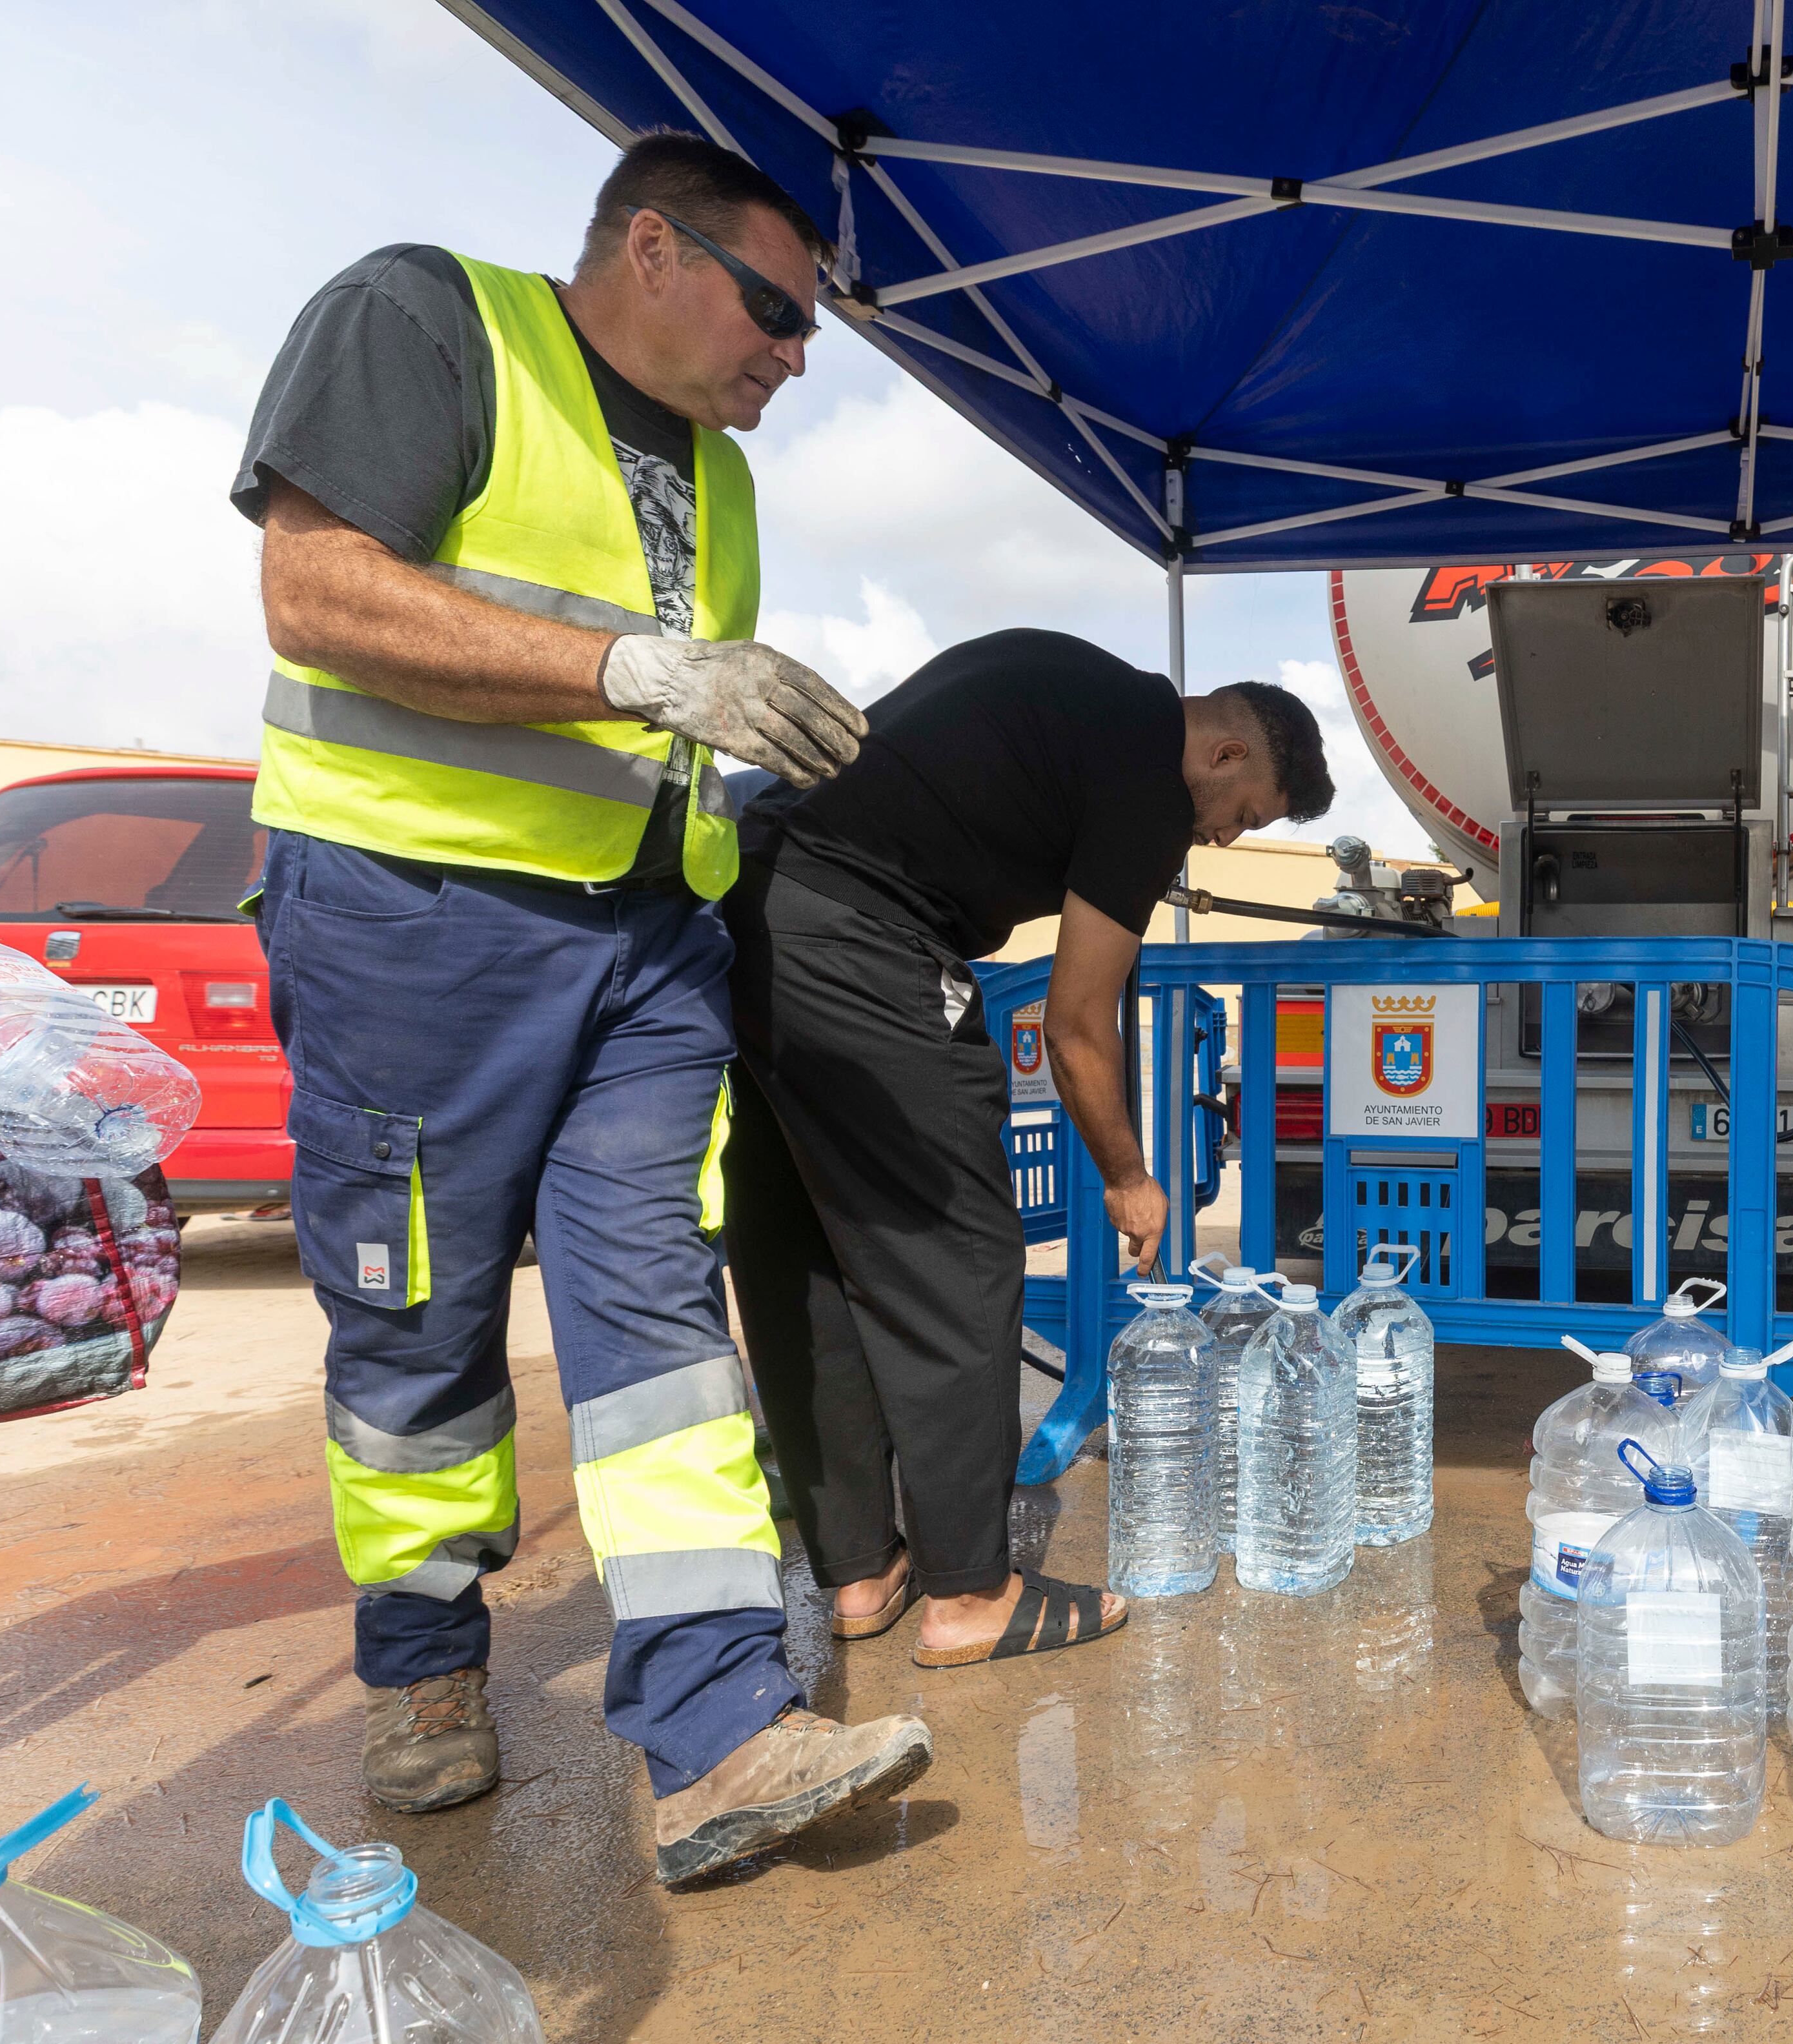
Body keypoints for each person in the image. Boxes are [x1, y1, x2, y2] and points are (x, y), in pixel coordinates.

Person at [236, 131, 933, 1884]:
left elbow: (666, 738)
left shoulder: (723, 476)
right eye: (776, 310)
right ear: (651, 249)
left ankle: (716, 1728)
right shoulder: (430, 318)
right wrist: (641, 668)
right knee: (419, 1327)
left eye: (812, 331)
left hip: (641, 945)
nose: (796, 354)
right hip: (415, 920)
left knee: (653, 1321)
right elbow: (318, 595)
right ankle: (421, 1666)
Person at [722, 631, 1332, 1666]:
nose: (1224, 839)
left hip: (758, 911)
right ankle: (972, 1591)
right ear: (1226, 752)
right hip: (868, 945)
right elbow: (1078, 1020)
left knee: (809, 1253)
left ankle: (863, 1571)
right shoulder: (1148, 775)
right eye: (1243, 815)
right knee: (960, 1253)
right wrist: (1131, 1178)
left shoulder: (1069, 679)